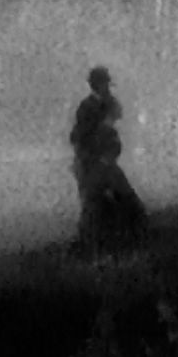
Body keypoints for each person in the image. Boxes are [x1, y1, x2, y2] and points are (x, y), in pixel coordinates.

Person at [69, 67, 146, 256]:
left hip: (104, 163)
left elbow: (112, 133)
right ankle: (91, 247)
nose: (107, 89)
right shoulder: (87, 108)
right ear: (97, 85)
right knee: (93, 208)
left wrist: (108, 155)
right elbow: (80, 138)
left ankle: (122, 241)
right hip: (92, 164)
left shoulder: (106, 104)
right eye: (104, 84)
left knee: (124, 202)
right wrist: (92, 159)